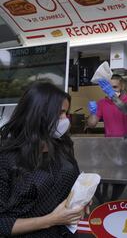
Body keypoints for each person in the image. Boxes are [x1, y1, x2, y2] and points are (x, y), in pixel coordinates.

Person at [0, 82, 85, 237]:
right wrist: (52, 220)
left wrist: (81, 198)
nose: (65, 120)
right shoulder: (6, 158)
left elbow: (72, 183)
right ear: (39, 113)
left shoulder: (63, 146)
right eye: (60, 113)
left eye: (66, 113)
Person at [87, 74, 127, 203]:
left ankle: (113, 201)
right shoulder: (102, 103)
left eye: (115, 87)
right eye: (108, 88)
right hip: (108, 146)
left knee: (121, 178)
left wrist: (113, 96)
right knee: (104, 176)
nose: (111, 91)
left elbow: (126, 110)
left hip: (126, 145)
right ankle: (103, 201)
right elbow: (92, 124)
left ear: (122, 86)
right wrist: (92, 112)